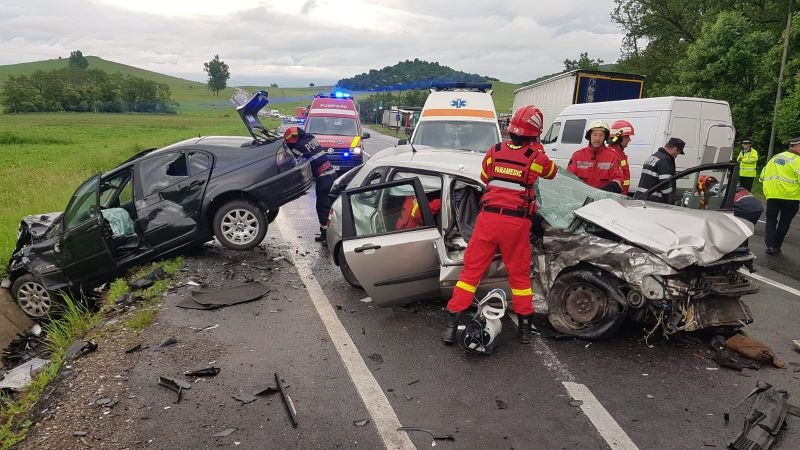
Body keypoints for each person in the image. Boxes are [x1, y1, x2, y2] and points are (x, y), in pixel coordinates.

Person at [441, 105, 557, 346]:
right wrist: (538, 148)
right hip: (516, 225)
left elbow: (485, 177)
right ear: (535, 134)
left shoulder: (494, 151)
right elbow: (552, 173)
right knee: (520, 279)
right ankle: (524, 331)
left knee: (470, 275)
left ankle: (450, 329)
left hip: (488, 221)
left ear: (511, 129)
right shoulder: (536, 158)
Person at [283, 126, 337, 244]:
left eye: (290, 142)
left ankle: (327, 236)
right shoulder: (310, 137)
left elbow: (293, 161)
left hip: (324, 177)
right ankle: (325, 233)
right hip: (330, 174)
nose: (290, 144)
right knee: (326, 206)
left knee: (322, 207)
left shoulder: (298, 147)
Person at [760, 137, 800, 254]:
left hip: (772, 196)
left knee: (771, 220)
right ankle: (776, 246)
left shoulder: (775, 158)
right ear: (797, 146)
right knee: (784, 222)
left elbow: (762, 176)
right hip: (791, 197)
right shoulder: (797, 161)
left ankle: (770, 246)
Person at [567, 120, 625, 193]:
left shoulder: (613, 157)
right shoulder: (577, 156)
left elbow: (619, 180)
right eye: (595, 135)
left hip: (603, 198)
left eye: (601, 135)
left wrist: (602, 192)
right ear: (589, 136)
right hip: (580, 197)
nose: (598, 139)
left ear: (605, 137)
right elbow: (568, 178)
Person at [635, 137, 686, 203]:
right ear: (675, 149)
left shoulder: (653, 157)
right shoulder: (664, 161)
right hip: (653, 201)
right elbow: (665, 185)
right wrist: (670, 202)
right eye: (678, 153)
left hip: (641, 197)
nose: (676, 156)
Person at [607, 120, 635, 195]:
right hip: (616, 196)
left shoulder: (619, 153)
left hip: (621, 195)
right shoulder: (613, 155)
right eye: (627, 137)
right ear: (618, 139)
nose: (629, 140)